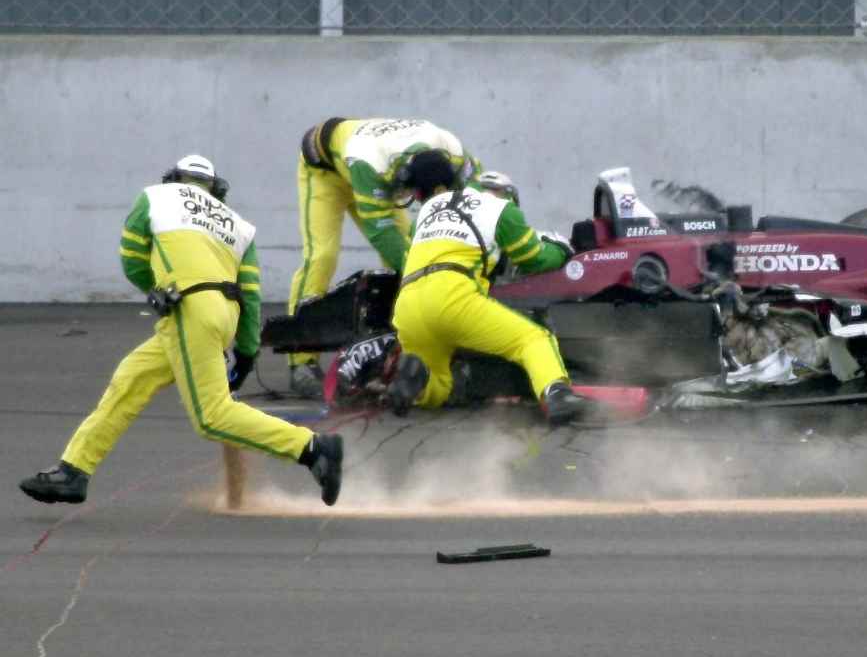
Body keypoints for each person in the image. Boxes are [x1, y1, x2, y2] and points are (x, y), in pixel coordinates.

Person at [19, 155, 344, 506]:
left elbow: (132, 258)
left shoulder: (155, 197)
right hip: (221, 313)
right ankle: (74, 470)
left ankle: (312, 448)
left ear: (175, 178)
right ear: (214, 189)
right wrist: (247, 352)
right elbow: (251, 297)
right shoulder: (239, 226)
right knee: (131, 379)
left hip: (189, 309)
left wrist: (155, 289)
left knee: (212, 417)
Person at [385, 154, 590, 425]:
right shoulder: (502, 210)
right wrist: (562, 249)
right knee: (533, 339)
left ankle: (416, 382)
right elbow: (535, 259)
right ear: (507, 195)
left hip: (408, 303)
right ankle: (557, 395)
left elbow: (407, 260)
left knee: (440, 384)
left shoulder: (429, 209)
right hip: (451, 296)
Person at [286, 117, 479, 399]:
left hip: (373, 162)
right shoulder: (370, 163)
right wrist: (427, 274)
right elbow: (382, 232)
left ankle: (399, 343)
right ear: (406, 183)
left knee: (410, 251)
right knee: (322, 256)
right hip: (328, 172)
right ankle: (301, 363)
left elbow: (480, 199)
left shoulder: (455, 152)